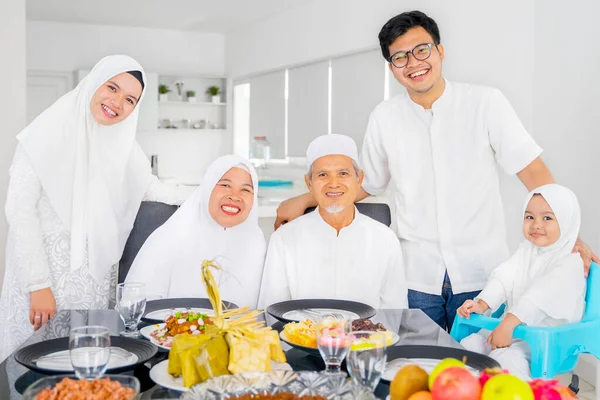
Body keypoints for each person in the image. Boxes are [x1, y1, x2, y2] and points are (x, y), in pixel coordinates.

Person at [274, 11, 597, 330]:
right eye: (400, 57)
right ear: (392, 68)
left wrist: (570, 237)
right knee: (414, 366)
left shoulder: (485, 103)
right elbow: (366, 182)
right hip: (416, 277)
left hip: (482, 275)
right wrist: (305, 200)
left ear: (440, 51)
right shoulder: (385, 117)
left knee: (476, 369)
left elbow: (532, 170)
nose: (413, 63)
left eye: (421, 50)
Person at [0, 55, 190, 361]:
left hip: (93, 287)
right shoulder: (43, 134)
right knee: (33, 367)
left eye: (130, 99)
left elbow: (150, 187)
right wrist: (38, 285)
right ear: (94, 82)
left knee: (87, 368)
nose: (117, 102)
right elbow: (20, 210)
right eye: (112, 88)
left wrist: (208, 195)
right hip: (44, 284)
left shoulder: (123, 146)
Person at [258, 134, 408, 310]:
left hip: (366, 336)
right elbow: (272, 311)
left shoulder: (385, 240)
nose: (333, 183)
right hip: (301, 336)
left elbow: (395, 313)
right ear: (309, 183)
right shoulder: (284, 239)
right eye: (323, 175)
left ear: (359, 179)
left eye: (343, 173)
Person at [457, 184, 586, 380]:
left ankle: (517, 392)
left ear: (567, 222)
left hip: (545, 340)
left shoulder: (570, 262)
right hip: (514, 329)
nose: (536, 224)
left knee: (504, 357)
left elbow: (541, 296)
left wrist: (508, 325)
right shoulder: (526, 251)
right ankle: (464, 390)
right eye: (529, 217)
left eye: (547, 218)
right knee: (469, 345)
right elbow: (503, 277)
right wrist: (482, 304)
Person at [126, 155, 266, 309]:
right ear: (207, 189)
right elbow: (134, 307)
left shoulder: (257, 245)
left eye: (245, 189)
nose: (234, 196)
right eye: (225, 185)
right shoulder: (170, 238)